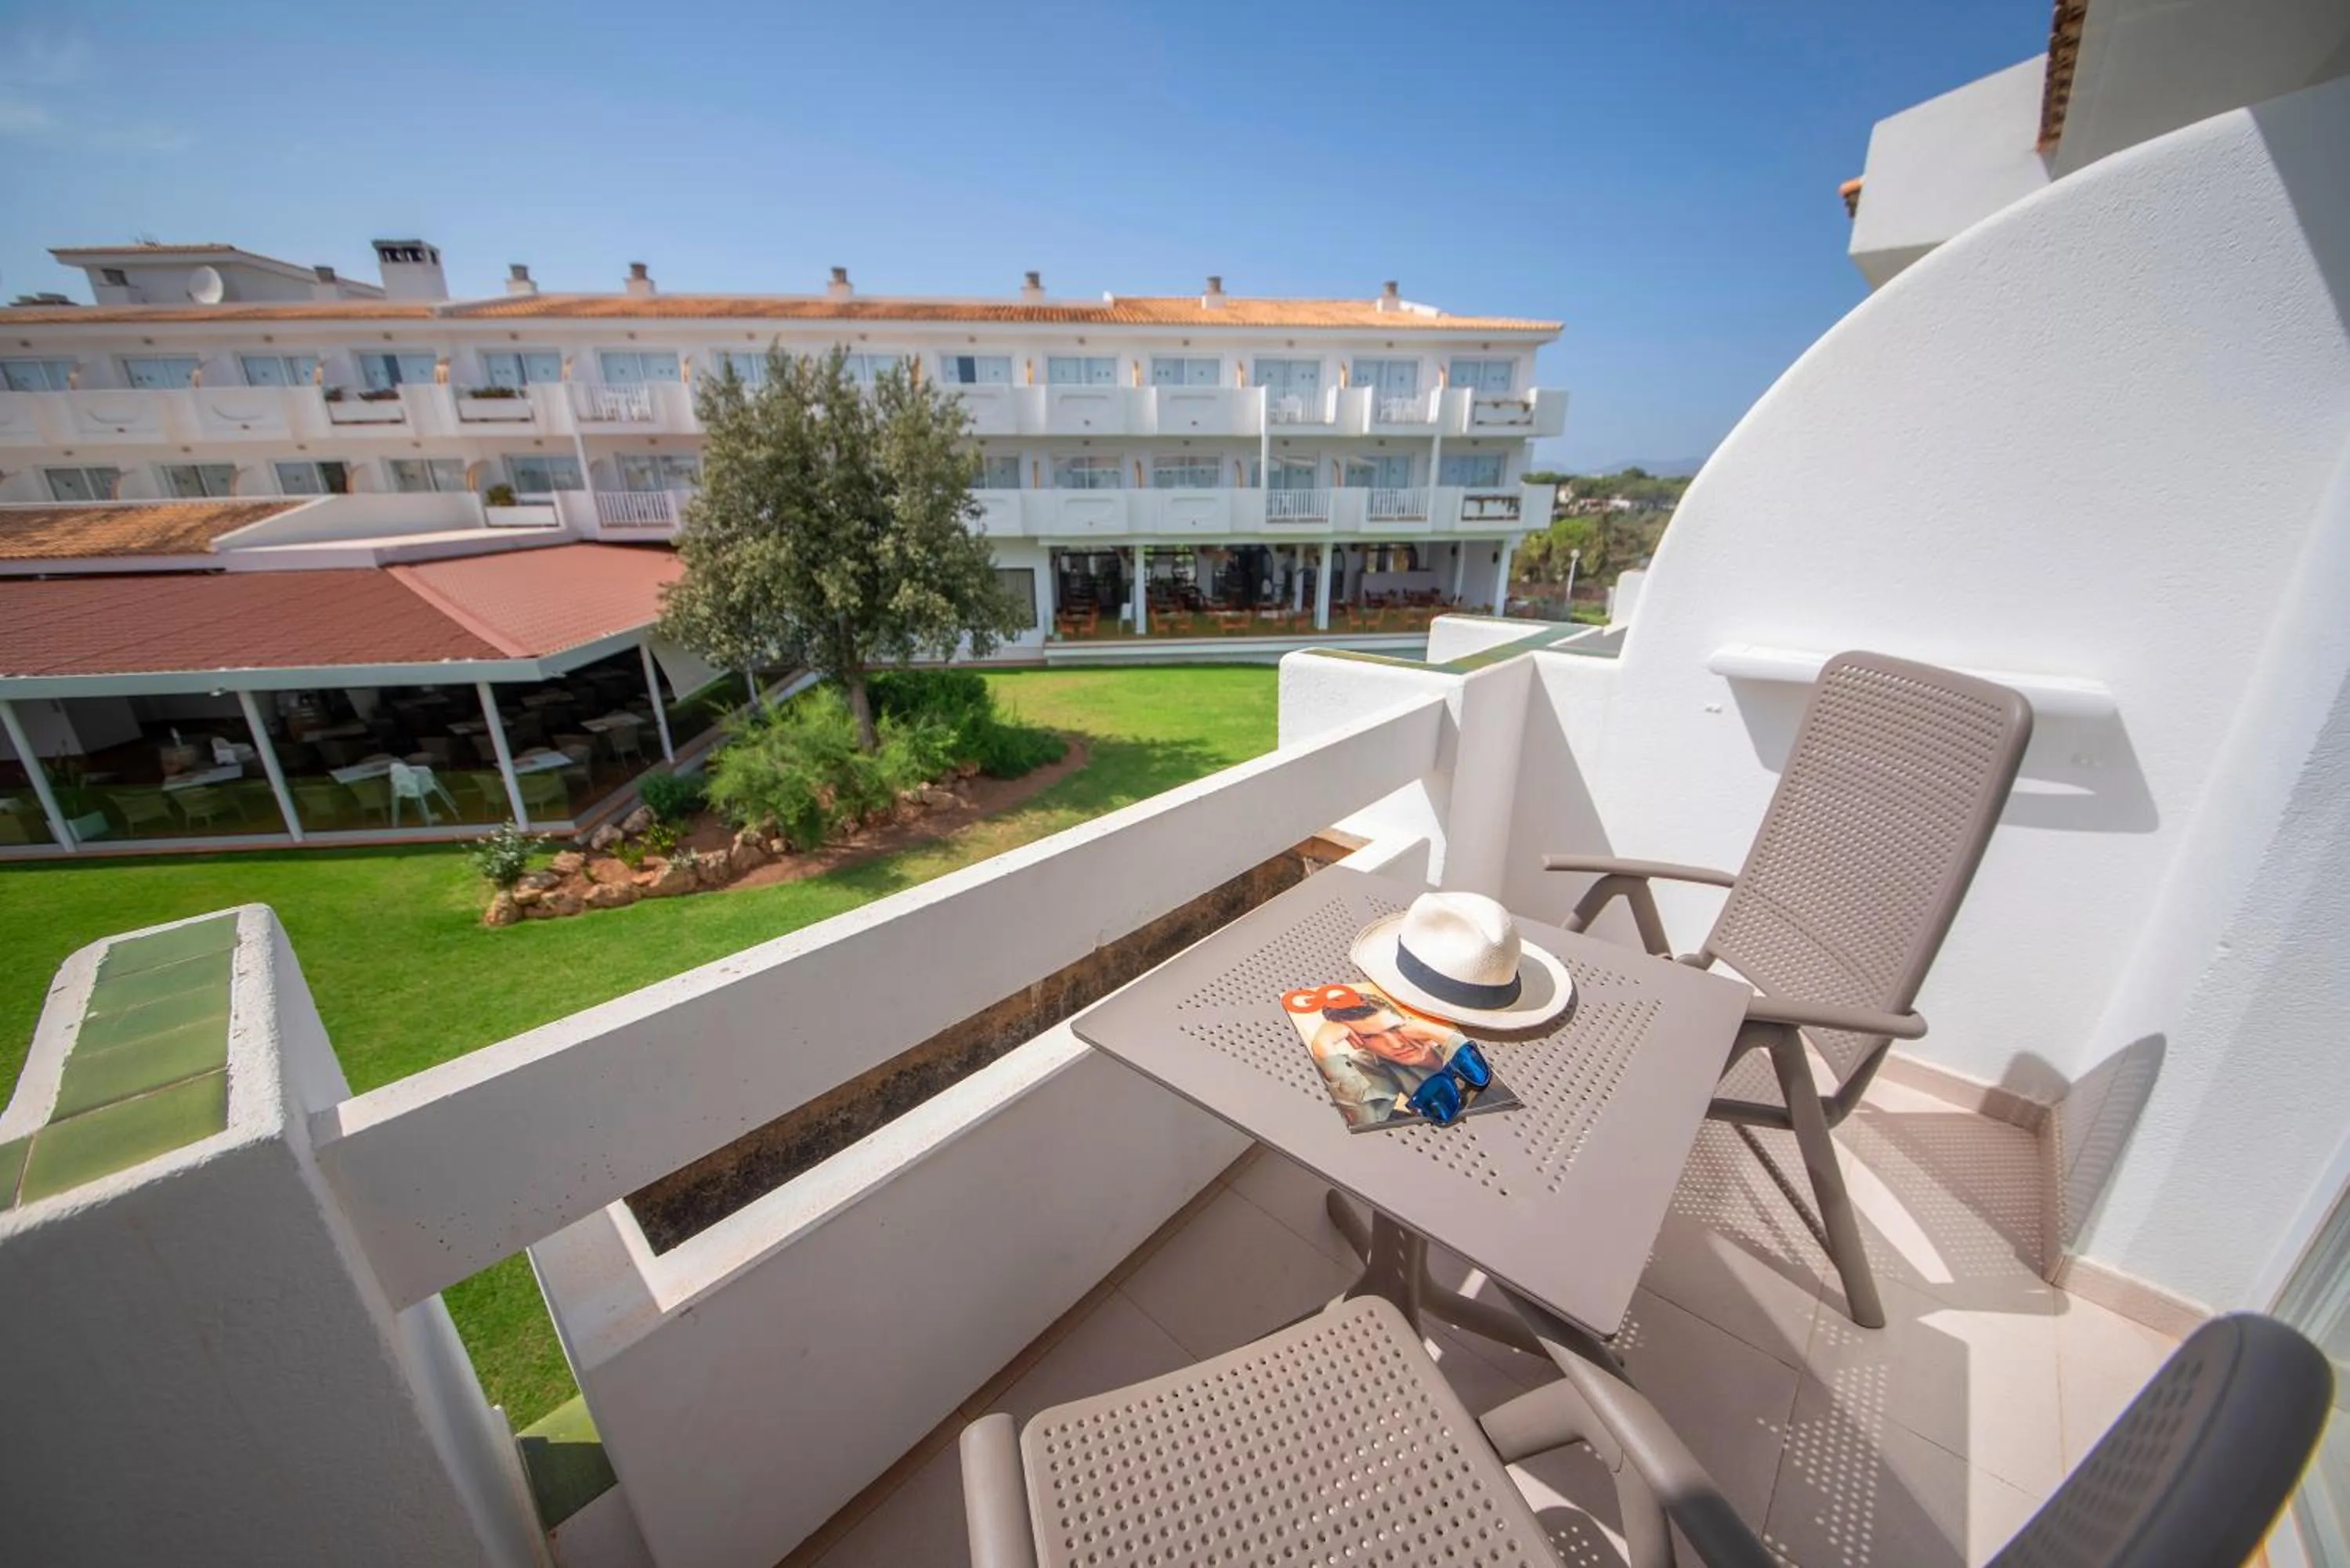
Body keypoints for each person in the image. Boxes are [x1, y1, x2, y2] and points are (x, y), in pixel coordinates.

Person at [1286, 984, 1458, 1129]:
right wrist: (1323, 1046)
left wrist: (1442, 1036)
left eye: (1394, 1029)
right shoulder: (1367, 1064)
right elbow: (1367, 1120)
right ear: (1354, 1041)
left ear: (1409, 1022)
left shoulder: (1445, 1031)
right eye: (1369, 1036)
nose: (1395, 1044)